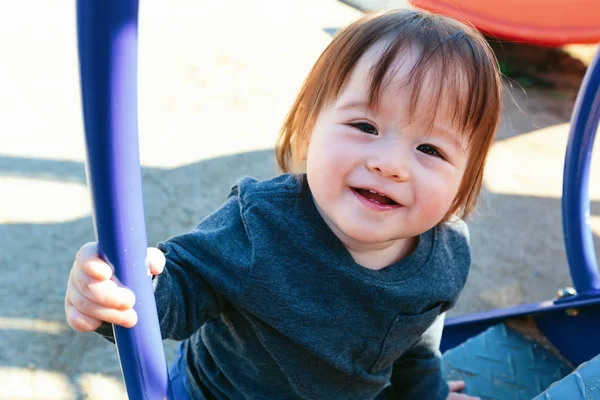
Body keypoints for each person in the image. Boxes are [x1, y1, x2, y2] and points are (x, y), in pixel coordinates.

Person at [65, 9, 501, 400]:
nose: (390, 165)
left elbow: (416, 344)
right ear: (310, 130)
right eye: (365, 125)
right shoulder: (260, 225)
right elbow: (178, 291)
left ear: (465, 178)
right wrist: (120, 292)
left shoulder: (446, 254)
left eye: (430, 149)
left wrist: (429, 394)